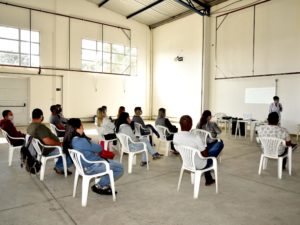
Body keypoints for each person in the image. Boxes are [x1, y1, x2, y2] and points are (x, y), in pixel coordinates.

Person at [63, 118, 123, 195]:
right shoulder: (80, 141)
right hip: (92, 167)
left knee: (113, 164)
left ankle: (101, 184)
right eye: (81, 126)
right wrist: (90, 143)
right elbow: (99, 148)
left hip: (84, 166)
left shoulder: (70, 140)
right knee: (120, 168)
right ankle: (100, 185)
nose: (83, 128)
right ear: (76, 129)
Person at [27, 108, 73, 175]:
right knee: (71, 150)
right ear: (41, 116)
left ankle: (60, 164)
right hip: (48, 149)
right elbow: (47, 141)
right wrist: (59, 144)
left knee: (66, 147)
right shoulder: (40, 127)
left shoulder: (30, 126)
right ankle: (59, 167)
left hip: (40, 149)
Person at [173, 115, 216, 185]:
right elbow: (205, 155)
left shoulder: (175, 136)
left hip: (187, 162)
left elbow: (177, 149)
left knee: (205, 148)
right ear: (190, 125)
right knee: (219, 145)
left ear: (179, 124)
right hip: (200, 164)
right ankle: (208, 178)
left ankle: (209, 178)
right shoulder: (195, 137)